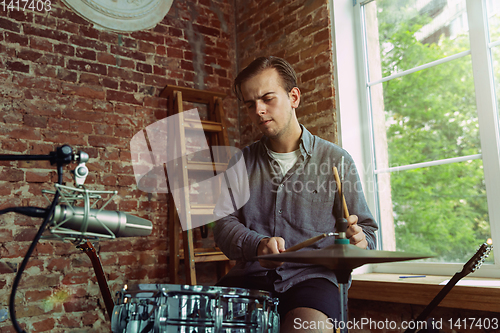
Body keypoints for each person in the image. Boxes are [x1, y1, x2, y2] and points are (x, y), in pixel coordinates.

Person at [213, 56, 378, 333]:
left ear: (294, 97)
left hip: (313, 281)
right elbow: (222, 226)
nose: (259, 110)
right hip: (251, 277)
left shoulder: (337, 160)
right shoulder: (241, 162)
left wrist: (360, 242)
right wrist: (257, 244)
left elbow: (368, 233)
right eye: (250, 104)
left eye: (267, 98)